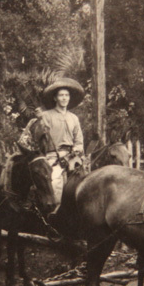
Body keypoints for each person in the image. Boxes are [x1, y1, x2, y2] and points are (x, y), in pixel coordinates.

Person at [38, 78, 85, 206]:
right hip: (53, 156)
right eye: (61, 95)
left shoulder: (74, 118)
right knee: (55, 182)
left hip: (72, 156)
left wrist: (76, 151)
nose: (64, 98)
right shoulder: (46, 116)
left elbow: (79, 141)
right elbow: (42, 140)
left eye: (66, 95)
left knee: (86, 181)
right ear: (55, 98)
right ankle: (55, 210)